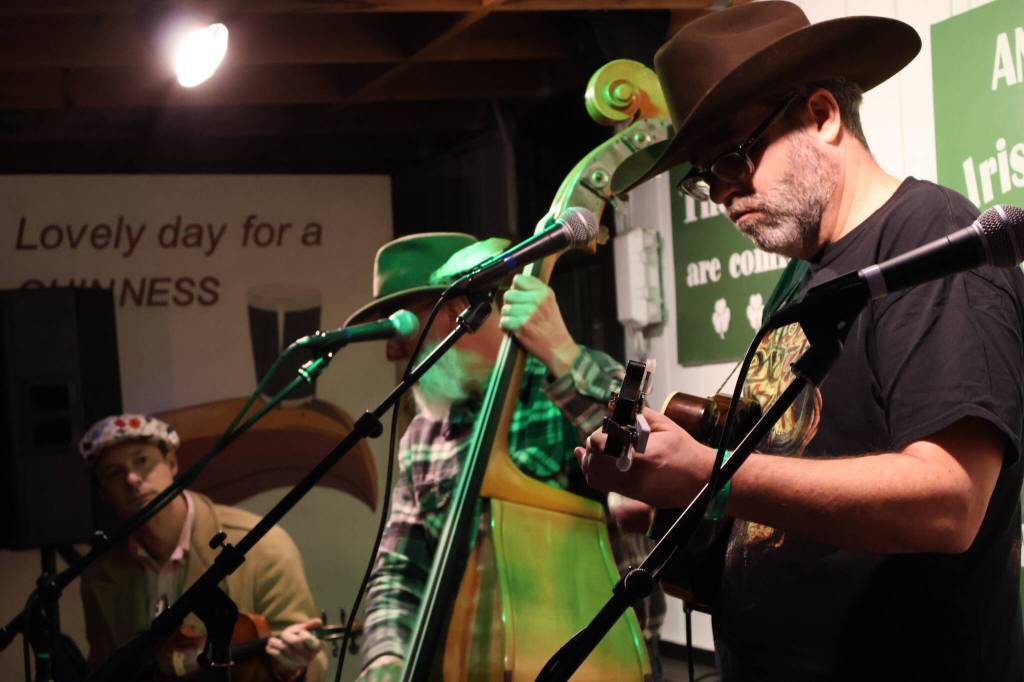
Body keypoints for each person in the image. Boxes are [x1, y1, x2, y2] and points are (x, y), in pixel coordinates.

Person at [581, 3, 1024, 681]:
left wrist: (708, 477)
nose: (724, 194)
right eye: (706, 177)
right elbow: (794, 461)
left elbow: (950, 500)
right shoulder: (804, 277)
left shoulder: (930, 241)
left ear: (821, 115)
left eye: (734, 155)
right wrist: (668, 482)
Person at [348, 233, 664, 680]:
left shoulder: (572, 378)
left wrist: (564, 356)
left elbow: (647, 458)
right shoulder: (422, 435)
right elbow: (399, 570)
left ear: (460, 310)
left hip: (598, 665)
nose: (392, 350)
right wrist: (384, 657)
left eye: (403, 324)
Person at [78, 414, 329, 682]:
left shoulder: (262, 546)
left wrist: (292, 667)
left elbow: (313, 662)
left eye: (142, 461)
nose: (132, 479)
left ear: (172, 463)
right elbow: (102, 669)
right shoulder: (100, 575)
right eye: (114, 473)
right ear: (103, 493)